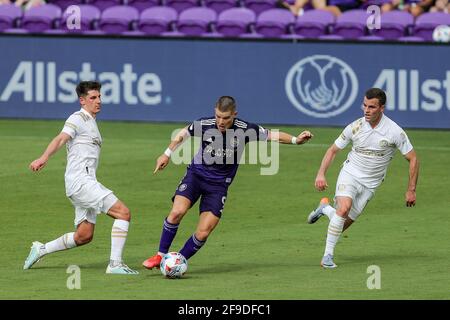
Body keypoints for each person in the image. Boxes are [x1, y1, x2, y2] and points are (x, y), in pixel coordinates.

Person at [142, 96, 313, 269]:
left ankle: (177, 262)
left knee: (203, 232)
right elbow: (184, 133)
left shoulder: (245, 129)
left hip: (218, 186)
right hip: (196, 176)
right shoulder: (205, 124)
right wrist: (167, 154)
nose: (221, 121)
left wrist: (295, 140)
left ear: (234, 115)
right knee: (177, 212)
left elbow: (272, 135)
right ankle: (160, 256)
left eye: (226, 118)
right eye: (218, 116)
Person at [24, 81, 138, 275]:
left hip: (84, 181)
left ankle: (41, 249)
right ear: (82, 101)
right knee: (123, 213)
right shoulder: (78, 118)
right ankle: (115, 264)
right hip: (80, 181)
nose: (98, 101)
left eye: (99, 96)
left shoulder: (92, 122)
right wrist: (44, 157)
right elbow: (61, 138)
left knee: (84, 236)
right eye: (93, 98)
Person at [307, 88, 419, 268]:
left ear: (382, 108)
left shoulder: (394, 131)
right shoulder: (355, 127)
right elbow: (333, 150)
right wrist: (321, 173)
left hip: (371, 184)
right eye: (365, 105)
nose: (366, 110)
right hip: (350, 174)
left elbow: (413, 158)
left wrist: (411, 189)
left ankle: (325, 209)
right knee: (343, 210)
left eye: (372, 107)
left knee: (341, 223)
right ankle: (327, 257)